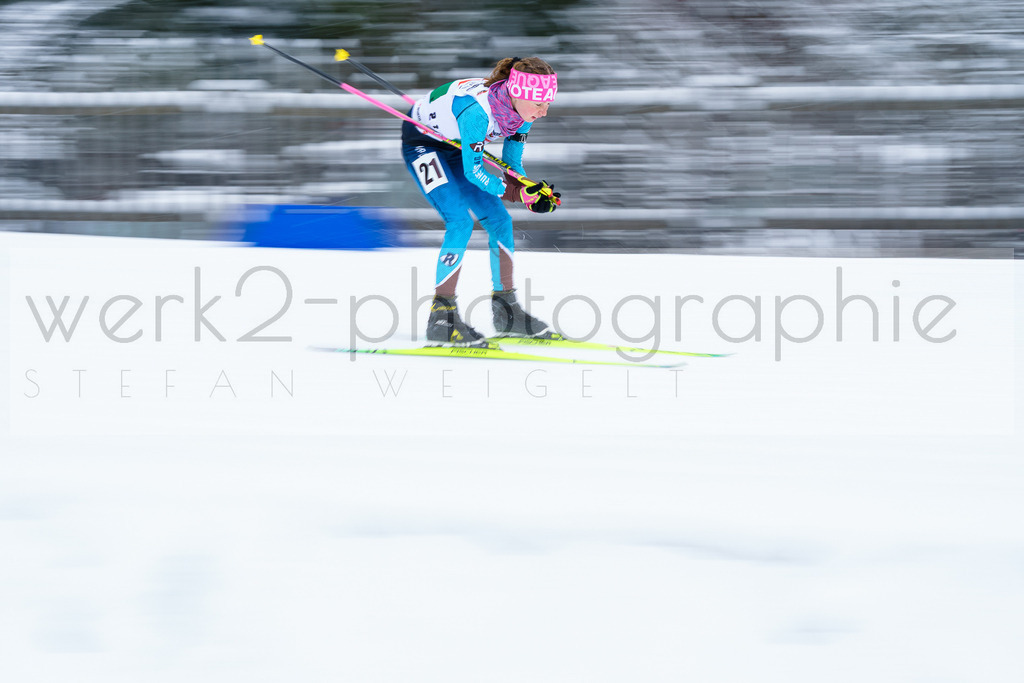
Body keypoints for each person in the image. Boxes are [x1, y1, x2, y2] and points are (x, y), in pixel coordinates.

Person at [401, 56, 561, 344]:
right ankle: (442, 316)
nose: (544, 111)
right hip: (424, 145)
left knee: (500, 221)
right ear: (518, 94)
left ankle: (506, 311)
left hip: (456, 146)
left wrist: (531, 193)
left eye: (547, 103)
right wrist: (514, 193)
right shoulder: (478, 113)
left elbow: (511, 166)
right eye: (539, 104)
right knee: (459, 222)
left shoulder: (522, 114)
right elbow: (474, 172)